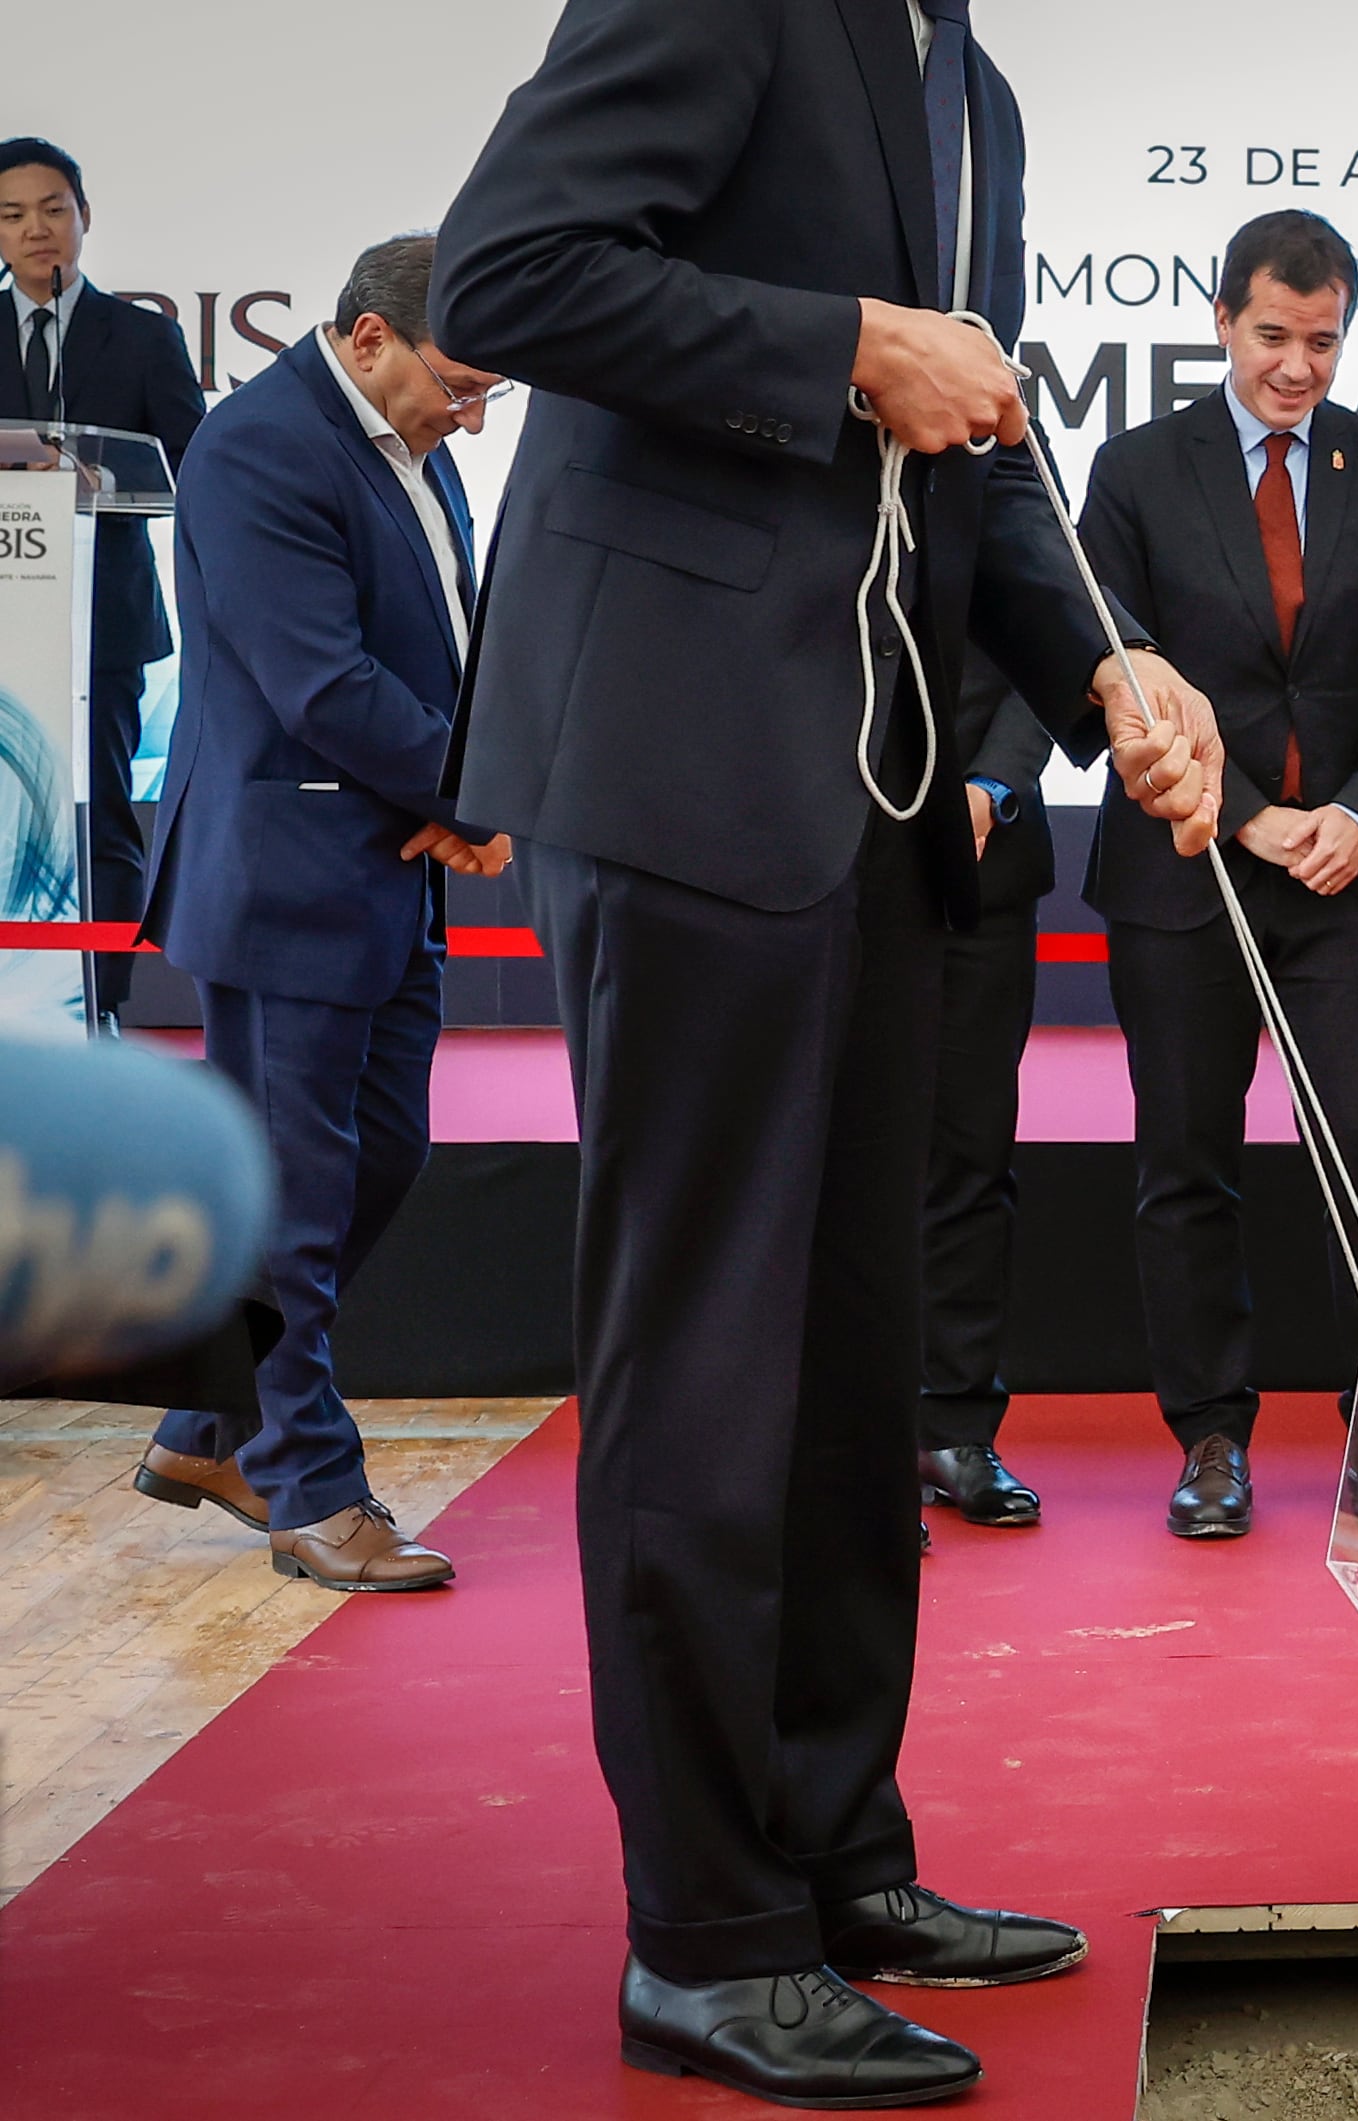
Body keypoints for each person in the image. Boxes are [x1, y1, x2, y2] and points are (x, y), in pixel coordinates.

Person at [430, 0, 1222, 2105]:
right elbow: (508, 267)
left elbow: (973, 472)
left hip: (878, 797)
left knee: (856, 1371)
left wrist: (1105, 667)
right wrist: (846, 343)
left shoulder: (970, 86)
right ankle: (703, 1929)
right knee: (704, 1366)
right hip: (681, 755)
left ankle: (834, 1853)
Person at [128, 233, 509, 1592]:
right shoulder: (252, 448)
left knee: (380, 1158)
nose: (467, 416)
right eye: (457, 386)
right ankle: (309, 1490)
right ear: (365, 340)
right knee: (295, 1196)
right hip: (288, 878)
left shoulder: (413, 442)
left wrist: (465, 784)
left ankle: (203, 1424)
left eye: (485, 397)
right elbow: (323, 683)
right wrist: (477, 793)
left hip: (385, 863)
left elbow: (449, 637)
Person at [1076, 209, 1358, 1540]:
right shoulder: (1134, 470)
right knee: (1188, 1161)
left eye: (1325, 340)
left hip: (1346, 871)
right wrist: (1240, 814)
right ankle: (1213, 1442)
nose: (1299, 366)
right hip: (1186, 876)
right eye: (1276, 336)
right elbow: (1108, 669)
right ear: (1224, 319)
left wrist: (1355, 809)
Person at [0, 139, 207, 1028]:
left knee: (103, 811)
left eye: (53, 208)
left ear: (85, 214)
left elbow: (192, 467)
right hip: (9, 612)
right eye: (12, 216)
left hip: (104, 622)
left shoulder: (145, 335)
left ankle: (103, 999)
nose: (37, 230)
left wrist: (95, 479)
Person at [916, 646, 1053, 1533]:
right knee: (830, 1160)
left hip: (984, 859)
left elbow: (1047, 646)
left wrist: (989, 786)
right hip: (816, 859)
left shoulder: (1009, 496)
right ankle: (839, 1445)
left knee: (971, 1155)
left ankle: (956, 1428)